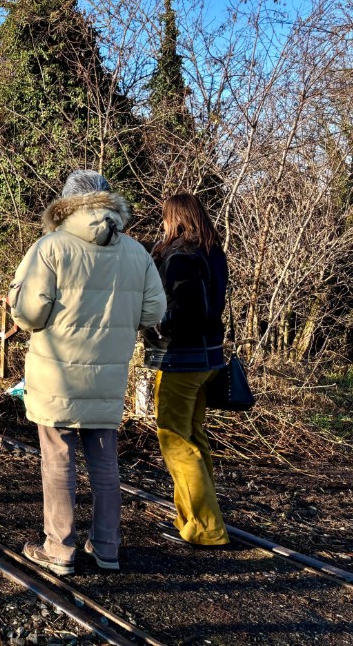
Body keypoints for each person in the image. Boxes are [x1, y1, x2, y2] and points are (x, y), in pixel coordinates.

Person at [7, 170, 166, 575]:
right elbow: (154, 312)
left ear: (66, 204)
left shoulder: (50, 247)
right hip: (109, 374)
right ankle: (108, 547)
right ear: (109, 203)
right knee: (105, 460)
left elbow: (29, 313)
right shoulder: (136, 252)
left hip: (56, 374)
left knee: (58, 458)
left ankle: (59, 549)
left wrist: (16, 299)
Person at [144, 193, 230, 547]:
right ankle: (191, 519)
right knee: (194, 437)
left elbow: (183, 311)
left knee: (174, 439)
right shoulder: (213, 251)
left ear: (174, 217)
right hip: (210, 359)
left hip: (181, 360)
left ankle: (206, 528)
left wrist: (156, 326)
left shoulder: (180, 256)